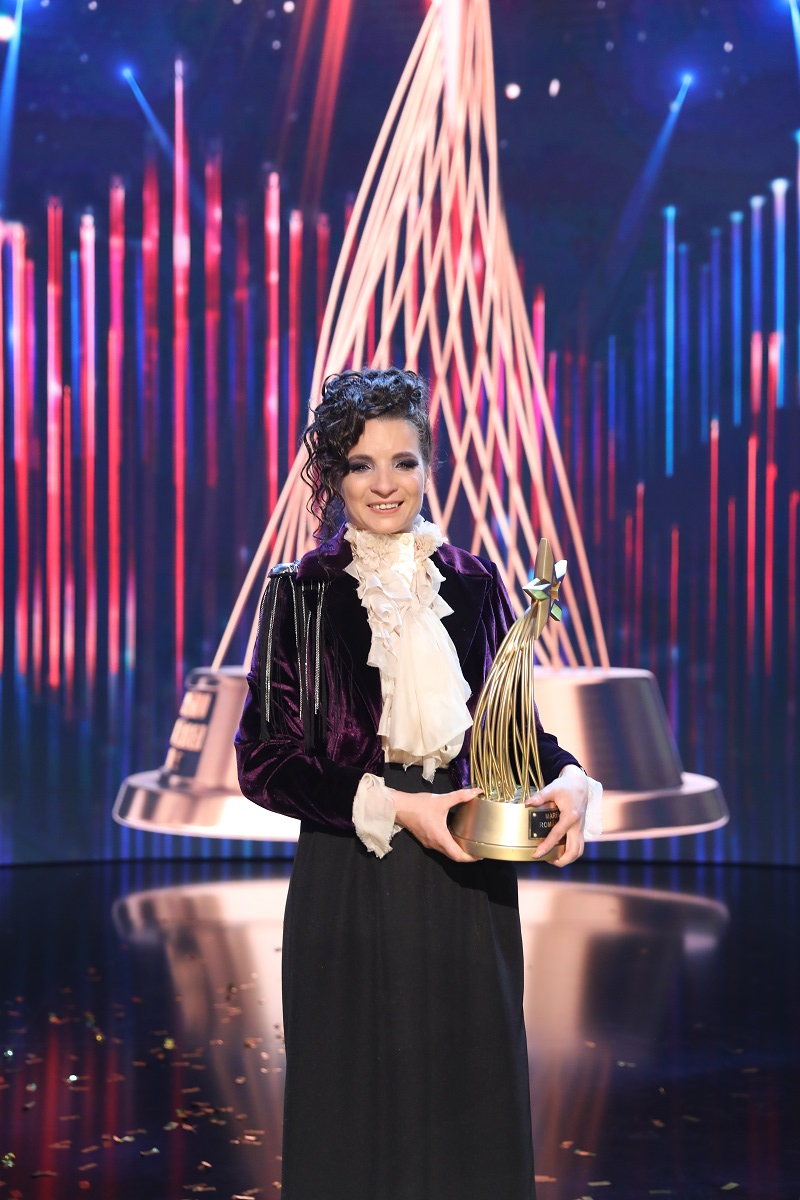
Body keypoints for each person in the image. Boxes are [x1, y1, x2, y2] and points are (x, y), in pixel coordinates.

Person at [234, 368, 597, 1200]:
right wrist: (401, 807)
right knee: (352, 1104)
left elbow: (515, 733)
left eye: (403, 461)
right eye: (362, 464)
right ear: (334, 476)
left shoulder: (472, 583)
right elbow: (263, 759)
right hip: (350, 869)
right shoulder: (301, 593)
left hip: (465, 874)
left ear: (429, 466)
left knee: (469, 1101)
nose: (385, 484)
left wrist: (573, 782)